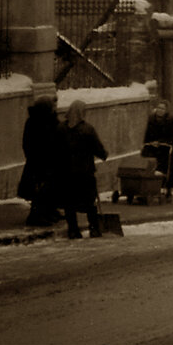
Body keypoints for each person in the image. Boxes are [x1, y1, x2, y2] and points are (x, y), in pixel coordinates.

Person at [59, 100, 108, 239]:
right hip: (84, 172)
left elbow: (55, 149)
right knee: (89, 201)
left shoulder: (61, 129)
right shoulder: (87, 129)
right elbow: (97, 148)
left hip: (66, 173)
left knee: (69, 202)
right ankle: (94, 229)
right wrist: (104, 154)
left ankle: (73, 230)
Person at [18, 93, 62, 227]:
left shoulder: (49, 120)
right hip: (39, 161)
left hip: (49, 161)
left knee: (50, 187)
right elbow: (29, 143)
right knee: (40, 189)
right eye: (52, 106)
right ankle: (36, 216)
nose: (54, 108)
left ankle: (48, 211)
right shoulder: (35, 122)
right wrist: (35, 157)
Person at [142, 99, 173, 199]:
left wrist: (161, 141)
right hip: (153, 148)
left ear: (166, 110)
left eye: (162, 108)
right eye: (158, 108)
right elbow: (146, 135)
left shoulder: (171, 121)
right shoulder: (151, 120)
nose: (160, 110)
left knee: (167, 165)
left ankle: (168, 189)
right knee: (147, 161)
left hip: (165, 147)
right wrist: (151, 142)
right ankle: (147, 186)